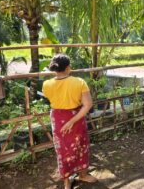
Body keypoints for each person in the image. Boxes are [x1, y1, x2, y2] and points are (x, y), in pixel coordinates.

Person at [42, 54, 97, 189]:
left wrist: (67, 121)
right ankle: (82, 175)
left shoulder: (46, 84)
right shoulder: (79, 82)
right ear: (68, 68)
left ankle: (66, 182)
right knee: (81, 146)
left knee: (63, 150)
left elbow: (49, 99)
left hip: (58, 119)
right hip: (77, 117)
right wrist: (72, 121)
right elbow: (88, 104)